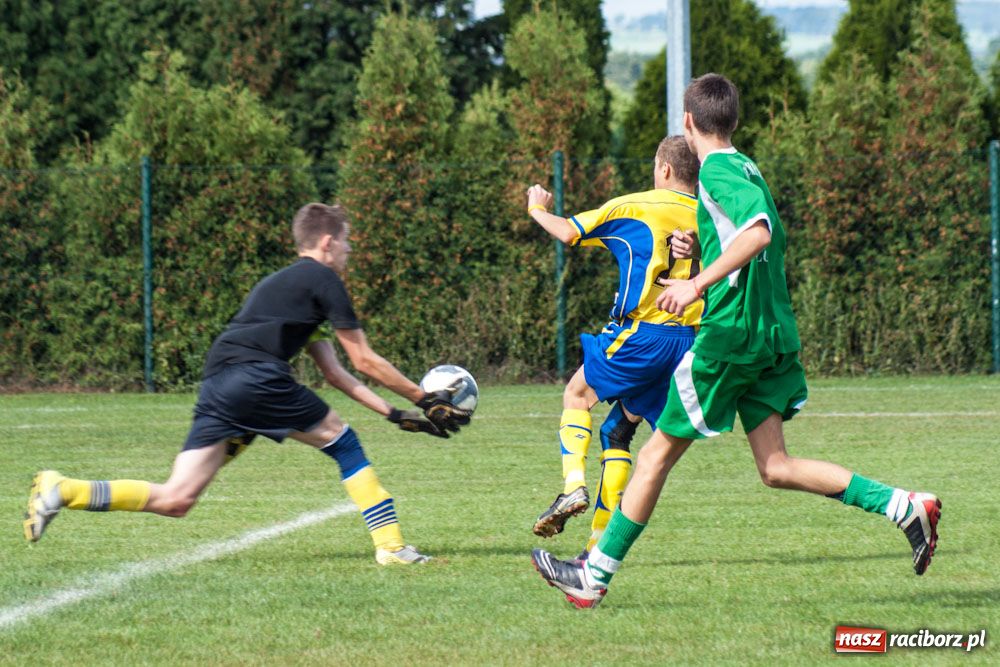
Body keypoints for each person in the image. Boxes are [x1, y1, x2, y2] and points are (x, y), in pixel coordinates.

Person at [531, 73, 942, 608]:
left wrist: (697, 282)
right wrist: (703, 253)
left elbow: (759, 233)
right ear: (734, 120)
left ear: (687, 121)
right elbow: (761, 243)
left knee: (654, 454)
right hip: (771, 334)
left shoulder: (718, 171)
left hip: (731, 337)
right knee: (775, 467)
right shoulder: (749, 167)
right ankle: (903, 506)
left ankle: (594, 577)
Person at [24, 202, 471, 566]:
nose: (350, 251)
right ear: (328, 241)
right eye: (348, 242)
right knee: (344, 444)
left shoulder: (285, 285)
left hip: (220, 379)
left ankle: (63, 489)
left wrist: (397, 415)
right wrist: (424, 396)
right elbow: (364, 358)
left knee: (177, 498)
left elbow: (337, 374)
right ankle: (392, 547)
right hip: (257, 377)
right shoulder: (324, 278)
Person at [526, 136, 704, 558]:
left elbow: (569, 232)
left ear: (663, 168)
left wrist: (537, 208)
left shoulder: (635, 206)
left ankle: (572, 489)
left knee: (577, 393)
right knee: (618, 431)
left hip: (641, 335)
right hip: (688, 343)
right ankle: (594, 547)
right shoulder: (710, 216)